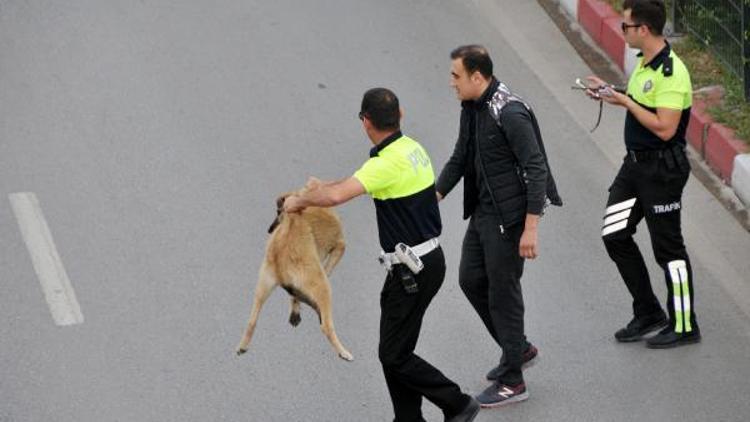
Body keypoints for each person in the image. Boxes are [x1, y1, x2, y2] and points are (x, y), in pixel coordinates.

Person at [283, 88, 480, 422]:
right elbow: (357, 180)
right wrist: (321, 188)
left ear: (366, 121)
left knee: (393, 355)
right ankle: (407, 419)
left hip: (413, 271)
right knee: (397, 350)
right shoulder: (409, 149)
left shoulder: (385, 163)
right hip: (423, 264)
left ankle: (457, 403)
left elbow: (338, 197)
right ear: (399, 115)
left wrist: (299, 201)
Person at [435, 45, 561, 408]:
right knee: (470, 279)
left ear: (478, 76)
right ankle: (517, 348)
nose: (451, 83)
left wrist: (530, 228)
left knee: (503, 293)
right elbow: (461, 156)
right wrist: (434, 197)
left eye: (456, 76)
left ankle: (513, 381)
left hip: (510, 219)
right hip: (484, 212)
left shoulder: (509, 111)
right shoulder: (472, 108)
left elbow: (536, 168)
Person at [586, 0, 700, 348]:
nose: (623, 32)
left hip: (661, 171)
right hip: (634, 167)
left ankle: (684, 324)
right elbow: (643, 106)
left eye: (626, 27)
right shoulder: (644, 63)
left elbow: (665, 128)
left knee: (669, 250)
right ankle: (648, 310)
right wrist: (612, 93)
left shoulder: (671, 72)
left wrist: (626, 103)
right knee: (614, 234)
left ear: (644, 30)